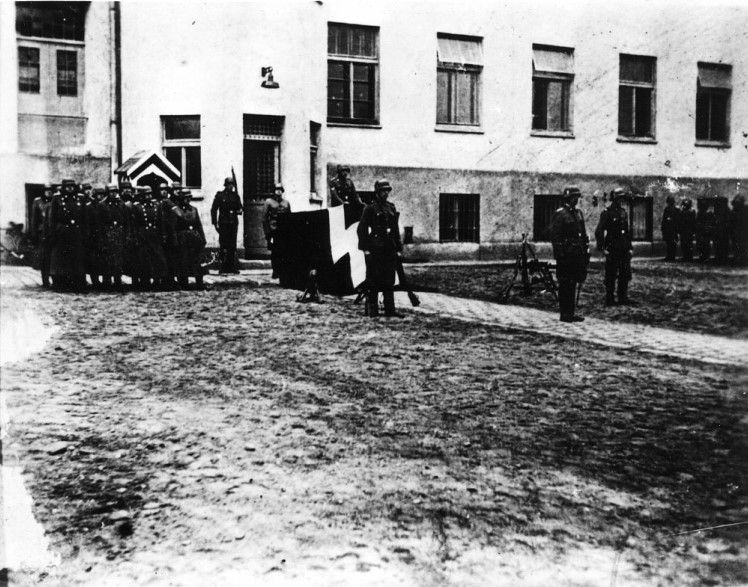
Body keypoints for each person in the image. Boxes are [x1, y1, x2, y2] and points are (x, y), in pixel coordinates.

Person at [357, 179, 404, 318]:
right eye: (383, 191)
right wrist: (365, 249)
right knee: (373, 280)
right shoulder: (370, 208)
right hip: (375, 249)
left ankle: (390, 310)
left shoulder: (391, 207)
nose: (385, 193)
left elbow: (395, 229)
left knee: (389, 279)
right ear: (377, 192)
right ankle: (373, 311)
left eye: (387, 191)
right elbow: (361, 229)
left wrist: (398, 248)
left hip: (389, 248)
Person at [549, 186, 590, 322]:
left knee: (573, 283)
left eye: (577, 197)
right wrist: (560, 255)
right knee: (565, 284)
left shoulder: (578, 213)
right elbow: (556, 237)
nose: (576, 200)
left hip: (577, 255)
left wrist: (585, 252)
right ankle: (564, 314)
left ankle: (571, 313)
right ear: (568, 198)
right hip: (566, 256)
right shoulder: (560, 214)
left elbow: (582, 236)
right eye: (574, 197)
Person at [595, 188, 634, 306]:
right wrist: (603, 248)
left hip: (623, 248)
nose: (621, 200)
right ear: (614, 199)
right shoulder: (607, 212)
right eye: (619, 198)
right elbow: (599, 231)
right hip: (612, 249)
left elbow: (626, 232)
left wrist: (630, 247)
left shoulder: (623, 212)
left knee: (624, 273)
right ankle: (610, 298)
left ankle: (623, 297)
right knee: (611, 274)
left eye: (622, 198)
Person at [48, 178, 88, 292]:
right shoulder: (57, 198)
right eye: (67, 186)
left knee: (77, 259)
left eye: (72, 186)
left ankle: (77, 284)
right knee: (62, 260)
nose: (70, 188)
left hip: (77, 232)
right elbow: (52, 218)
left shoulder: (80, 198)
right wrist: (53, 234)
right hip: (62, 232)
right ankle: (61, 284)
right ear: (63, 188)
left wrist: (85, 234)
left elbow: (85, 218)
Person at [131, 186, 168, 289]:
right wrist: (136, 237)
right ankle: (145, 282)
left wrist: (163, 235)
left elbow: (162, 222)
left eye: (150, 194)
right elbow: (134, 224)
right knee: (144, 261)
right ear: (142, 196)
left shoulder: (157, 206)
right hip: (143, 236)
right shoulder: (137, 207)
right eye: (146, 195)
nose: (149, 196)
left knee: (157, 259)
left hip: (155, 236)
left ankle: (157, 281)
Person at [96, 183, 130, 291]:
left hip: (118, 234)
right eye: (111, 192)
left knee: (118, 259)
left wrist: (126, 236)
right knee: (107, 259)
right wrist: (101, 238)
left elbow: (126, 222)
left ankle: (117, 281)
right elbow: (99, 224)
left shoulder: (121, 205)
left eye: (115, 192)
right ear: (107, 193)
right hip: (107, 234)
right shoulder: (102, 205)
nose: (113, 194)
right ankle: (107, 281)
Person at [171, 188, 207, 289]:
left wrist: (202, 239)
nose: (187, 200)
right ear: (180, 198)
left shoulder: (194, 210)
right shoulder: (175, 211)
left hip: (194, 238)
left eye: (189, 197)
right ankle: (184, 283)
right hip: (182, 238)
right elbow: (173, 228)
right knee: (183, 262)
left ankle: (199, 283)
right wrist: (175, 242)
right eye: (185, 198)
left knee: (197, 261)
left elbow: (199, 225)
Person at [211, 177, 243, 273]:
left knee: (232, 246)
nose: (231, 186)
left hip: (233, 223)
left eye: (232, 184)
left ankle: (231, 267)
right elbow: (214, 209)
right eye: (229, 184)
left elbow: (240, 208)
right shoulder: (220, 196)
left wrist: (240, 210)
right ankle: (223, 267)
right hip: (223, 224)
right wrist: (215, 223)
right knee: (223, 245)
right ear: (225, 185)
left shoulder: (235, 196)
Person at [263, 183, 291, 278]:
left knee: (284, 251)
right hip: (273, 230)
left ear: (282, 191)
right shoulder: (269, 202)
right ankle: (275, 271)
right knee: (275, 252)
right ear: (274, 191)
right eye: (276, 190)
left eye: (280, 190)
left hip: (284, 231)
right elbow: (265, 218)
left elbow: (289, 217)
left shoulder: (286, 203)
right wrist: (267, 233)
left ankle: (283, 271)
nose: (278, 191)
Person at [30, 184, 54, 287]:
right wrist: (34, 234)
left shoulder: (55, 201)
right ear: (43, 192)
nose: (49, 192)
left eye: (50, 190)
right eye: (46, 190)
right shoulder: (37, 201)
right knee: (44, 257)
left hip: (53, 232)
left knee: (53, 257)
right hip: (42, 233)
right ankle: (45, 280)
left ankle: (55, 279)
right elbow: (34, 219)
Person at [731, 194, 748, 265]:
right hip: (739, 230)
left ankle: (741, 259)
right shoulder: (735, 210)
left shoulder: (745, 209)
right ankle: (739, 259)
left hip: (743, 230)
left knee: (742, 246)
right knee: (738, 246)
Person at [661, 195, 679, 261]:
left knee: (673, 244)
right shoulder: (666, 209)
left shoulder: (676, 210)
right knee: (668, 244)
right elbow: (664, 220)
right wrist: (663, 228)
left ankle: (672, 257)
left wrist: (677, 230)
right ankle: (668, 256)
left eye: (671, 202)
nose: (670, 203)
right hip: (668, 229)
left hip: (673, 229)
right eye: (669, 202)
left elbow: (678, 220)